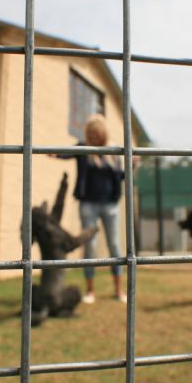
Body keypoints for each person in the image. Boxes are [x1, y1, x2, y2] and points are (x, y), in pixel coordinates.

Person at [52, 114, 128, 304]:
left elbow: (120, 176)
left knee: (115, 246)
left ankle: (119, 290)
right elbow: (67, 153)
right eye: (91, 135)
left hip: (110, 205)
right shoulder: (83, 148)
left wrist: (132, 166)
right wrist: (54, 153)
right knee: (90, 247)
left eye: (97, 135)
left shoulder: (113, 151)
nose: (94, 138)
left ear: (103, 134)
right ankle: (90, 291)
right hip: (88, 205)